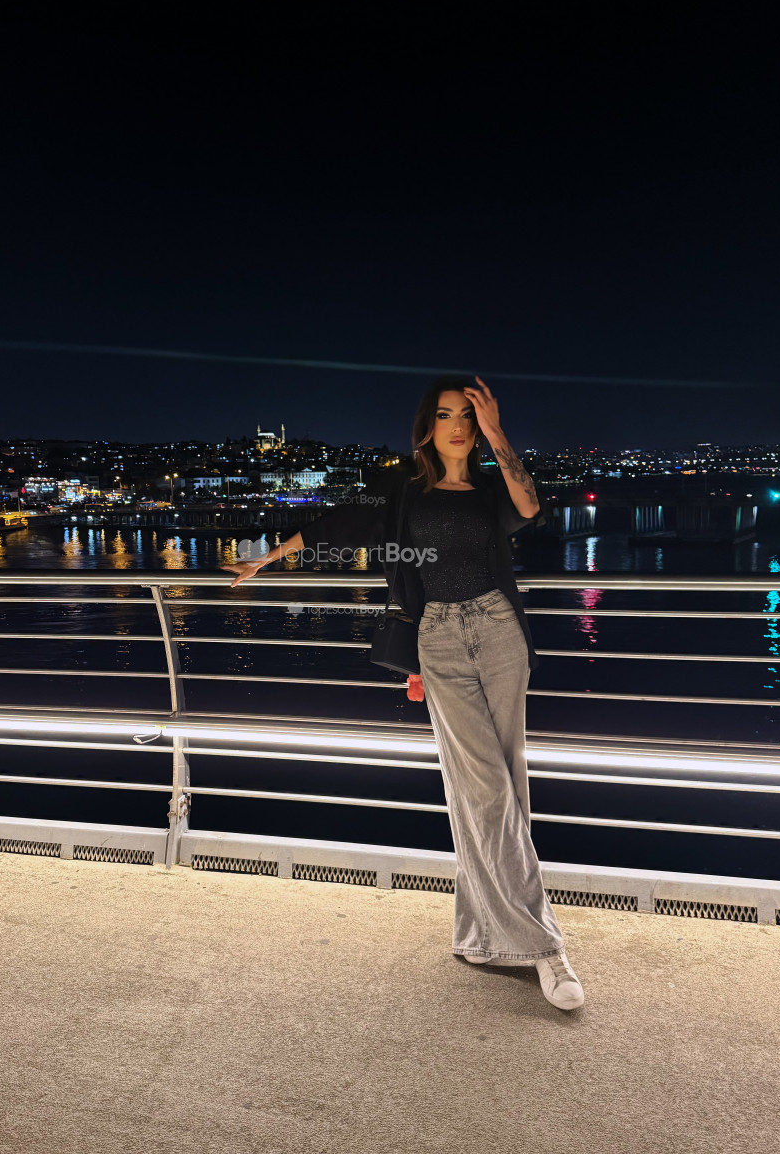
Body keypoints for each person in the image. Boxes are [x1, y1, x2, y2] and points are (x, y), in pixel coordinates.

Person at [226, 374, 584, 1011]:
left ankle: (480, 935)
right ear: (427, 426)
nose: (458, 426)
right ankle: (544, 947)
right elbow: (340, 524)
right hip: (438, 638)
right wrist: (267, 557)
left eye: (468, 417)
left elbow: (530, 506)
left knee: (504, 785)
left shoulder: (490, 491)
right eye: (446, 415)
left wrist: (499, 431)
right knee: (486, 789)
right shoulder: (403, 493)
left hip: (500, 633)